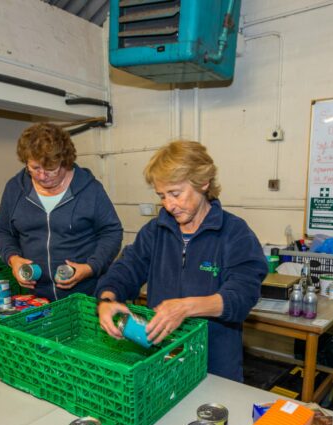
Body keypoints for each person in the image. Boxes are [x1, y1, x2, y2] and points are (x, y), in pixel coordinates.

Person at [96, 140, 267, 381]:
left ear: (203, 183)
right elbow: (127, 268)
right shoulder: (156, 231)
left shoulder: (234, 233)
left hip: (214, 366)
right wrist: (106, 298)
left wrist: (186, 307)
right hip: (163, 361)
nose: (169, 205)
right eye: (162, 196)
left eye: (175, 194)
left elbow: (242, 295)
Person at [0, 123, 123, 301]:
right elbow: (3, 232)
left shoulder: (90, 190)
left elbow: (112, 232)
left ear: (65, 162)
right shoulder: (15, 189)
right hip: (35, 299)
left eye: (50, 169)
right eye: (34, 168)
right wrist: (13, 259)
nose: (41, 176)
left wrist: (91, 267)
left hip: (86, 294)